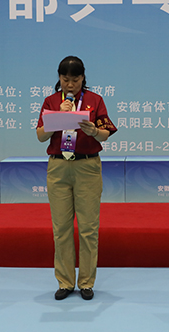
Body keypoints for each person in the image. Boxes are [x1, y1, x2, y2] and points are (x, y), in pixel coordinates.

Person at [36, 56, 117, 301]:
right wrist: (57, 118)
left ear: (83, 78)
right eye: (65, 80)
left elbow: (105, 133)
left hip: (87, 166)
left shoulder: (94, 100)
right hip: (59, 167)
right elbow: (40, 136)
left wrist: (94, 131)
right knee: (61, 228)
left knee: (88, 228)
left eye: (75, 79)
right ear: (59, 78)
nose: (70, 85)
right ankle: (65, 281)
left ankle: (86, 282)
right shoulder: (51, 101)